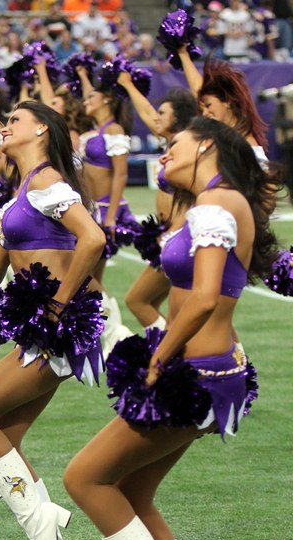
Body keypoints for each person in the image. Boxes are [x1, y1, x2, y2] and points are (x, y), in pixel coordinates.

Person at [64, 116, 280, 540]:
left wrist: (160, 353)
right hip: (211, 367)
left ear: (205, 143)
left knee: (84, 478)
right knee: (133, 492)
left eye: (171, 145)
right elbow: (163, 293)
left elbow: (205, 297)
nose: (161, 156)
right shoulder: (217, 203)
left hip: (196, 371)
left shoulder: (214, 205)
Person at [0, 100, 105, 540]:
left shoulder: (45, 180)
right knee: (6, 440)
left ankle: (46, 535)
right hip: (38, 326)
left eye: (14, 120)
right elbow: (0, 256)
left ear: (40, 127)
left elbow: (94, 239)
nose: (5, 127)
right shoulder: (25, 184)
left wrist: (59, 304)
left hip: (55, 329)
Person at [116, 71, 197, 330]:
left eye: (163, 114)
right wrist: (128, 85)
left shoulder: (188, 149)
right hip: (169, 238)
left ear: (179, 119)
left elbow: (195, 199)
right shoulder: (172, 143)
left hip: (180, 240)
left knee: (139, 300)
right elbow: (147, 113)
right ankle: (170, 355)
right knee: (160, 308)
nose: (156, 118)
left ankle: (170, 354)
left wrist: (175, 235)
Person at [77, 67, 137, 354]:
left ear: (107, 100)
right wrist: (82, 74)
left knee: (87, 276)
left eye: (92, 97)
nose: (86, 100)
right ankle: (109, 330)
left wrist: (111, 215)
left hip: (104, 212)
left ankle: (115, 330)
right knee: (91, 276)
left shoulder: (114, 131)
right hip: (90, 212)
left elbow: (121, 175)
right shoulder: (94, 132)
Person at [177, 48, 269, 165]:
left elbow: (267, 182)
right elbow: (198, 90)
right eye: (202, 109)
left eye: (208, 106)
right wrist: (183, 53)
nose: (204, 113)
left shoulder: (247, 147)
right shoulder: (219, 133)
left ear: (228, 101)